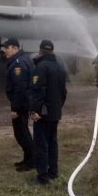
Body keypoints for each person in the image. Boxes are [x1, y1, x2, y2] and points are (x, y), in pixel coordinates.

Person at [29, 39, 68, 186]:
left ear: (40, 51)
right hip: (54, 113)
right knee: (52, 142)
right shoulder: (59, 68)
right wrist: (57, 107)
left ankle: (42, 177)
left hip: (42, 114)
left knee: (41, 144)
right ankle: (53, 171)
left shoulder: (41, 67)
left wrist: (34, 111)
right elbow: (64, 92)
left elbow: (37, 91)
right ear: (52, 51)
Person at [1, 37, 34, 171]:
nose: (5, 51)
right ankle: (28, 159)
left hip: (21, 104)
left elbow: (20, 88)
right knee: (22, 131)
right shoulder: (20, 60)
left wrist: (15, 108)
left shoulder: (18, 63)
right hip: (23, 102)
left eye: (7, 48)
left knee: (21, 133)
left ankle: (31, 161)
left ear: (15, 48)